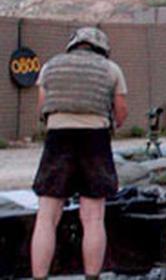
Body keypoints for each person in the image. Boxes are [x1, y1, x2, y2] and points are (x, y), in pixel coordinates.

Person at [30, 27, 128, 280]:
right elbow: (121, 113)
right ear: (101, 48)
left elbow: (42, 108)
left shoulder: (51, 66)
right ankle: (92, 277)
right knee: (93, 218)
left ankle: (39, 277)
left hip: (57, 139)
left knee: (47, 216)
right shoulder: (111, 69)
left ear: (73, 45)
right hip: (94, 140)